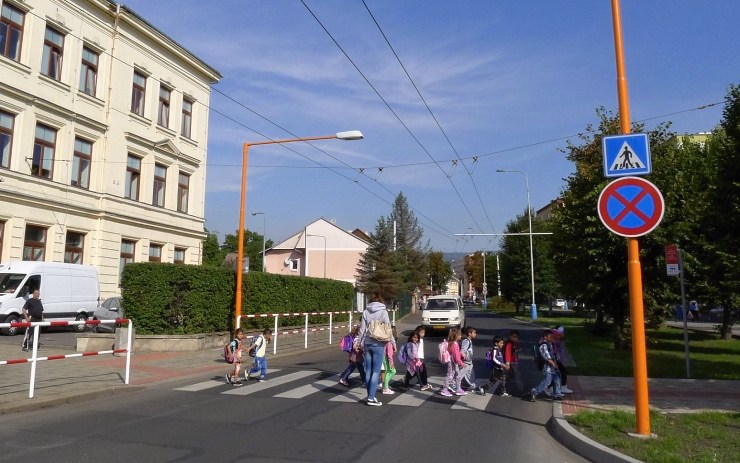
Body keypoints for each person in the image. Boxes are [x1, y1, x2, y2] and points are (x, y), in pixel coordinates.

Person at [355, 293, 395, 406]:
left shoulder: (366, 311)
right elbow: (388, 329)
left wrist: (359, 343)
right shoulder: (383, 311)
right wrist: (393, 342)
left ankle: (370, 396)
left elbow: (362, 330)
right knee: (376, 372)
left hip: (367, 344)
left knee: (368, 370)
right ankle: (371, 398)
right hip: (379, 343)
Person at [530, 330, 563, 401]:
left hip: (553, 366)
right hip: (547, 367)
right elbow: (546, 356)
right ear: (545, 337)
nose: (552, 338)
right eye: (550, 337)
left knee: (556, 379)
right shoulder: (543, 345)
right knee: (547, 381)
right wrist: (553, 363)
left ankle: (557, 394)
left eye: (552, 337)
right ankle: (534, 391)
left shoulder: (551, 344)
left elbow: (554, 353)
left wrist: (556, 361)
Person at [403, 325, 431, 390]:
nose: (423, 334)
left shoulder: (419, 340)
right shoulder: (414, 342)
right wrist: (415, 357)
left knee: (419, 371)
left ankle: (408, 379)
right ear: (417, 332)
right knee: (418, 372)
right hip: (416, 359)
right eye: (421, 332)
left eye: (424, 332)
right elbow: (412, 351)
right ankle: (422, 385)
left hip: (419, 358)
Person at [441, 327, 467, 397]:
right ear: (456, 335)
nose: (461, 336)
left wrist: (461, 353)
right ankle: (444, 389)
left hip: (454, 362)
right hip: (453, 363)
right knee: (450, 375)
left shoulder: (453, 343)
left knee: (458, 375)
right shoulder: (454, 344)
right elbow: (456, 356)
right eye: (460, 335)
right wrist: (461, 363)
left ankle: (458, 389)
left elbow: (456, 353)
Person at [550, 326, 572, 394]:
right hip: (554, 360)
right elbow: (554, 351)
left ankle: (560, 388)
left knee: (559, 373)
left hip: (556, 360)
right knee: (556, 374)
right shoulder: (554, 342)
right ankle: (552, 389)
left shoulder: (557, 341)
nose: (563, 334)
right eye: (562, 333)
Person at [460, 326, 483, 393]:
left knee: (471, 375)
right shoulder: (466, 341)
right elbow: (462, 351)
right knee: (460, 374)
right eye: (474, 333)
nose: (475, 334)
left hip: (469, 362)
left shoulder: (469, 341)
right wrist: (464, 358)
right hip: (465, 362)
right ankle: (453, 385)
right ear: (469, 333)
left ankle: (473, 386)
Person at [503, 330, 524, 396]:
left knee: (510, 376)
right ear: (510, 337)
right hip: (511, 362)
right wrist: (507, 363)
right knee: (517, 375)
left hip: (514, 362)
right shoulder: (509, 343)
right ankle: (521, 391)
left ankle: (504, 388)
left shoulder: (515, 344)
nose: (515, 338)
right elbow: (507, 353)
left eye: (516, 337)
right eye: (513, 337)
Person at [380, 326, 397, 394]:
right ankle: (385, 387)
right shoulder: (389, 343)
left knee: (388, 371)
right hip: (386, 358)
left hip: (383, 357)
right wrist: (391, 363)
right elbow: (389, 354)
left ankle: (385, 386)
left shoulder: (384, 341)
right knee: (391, 371)